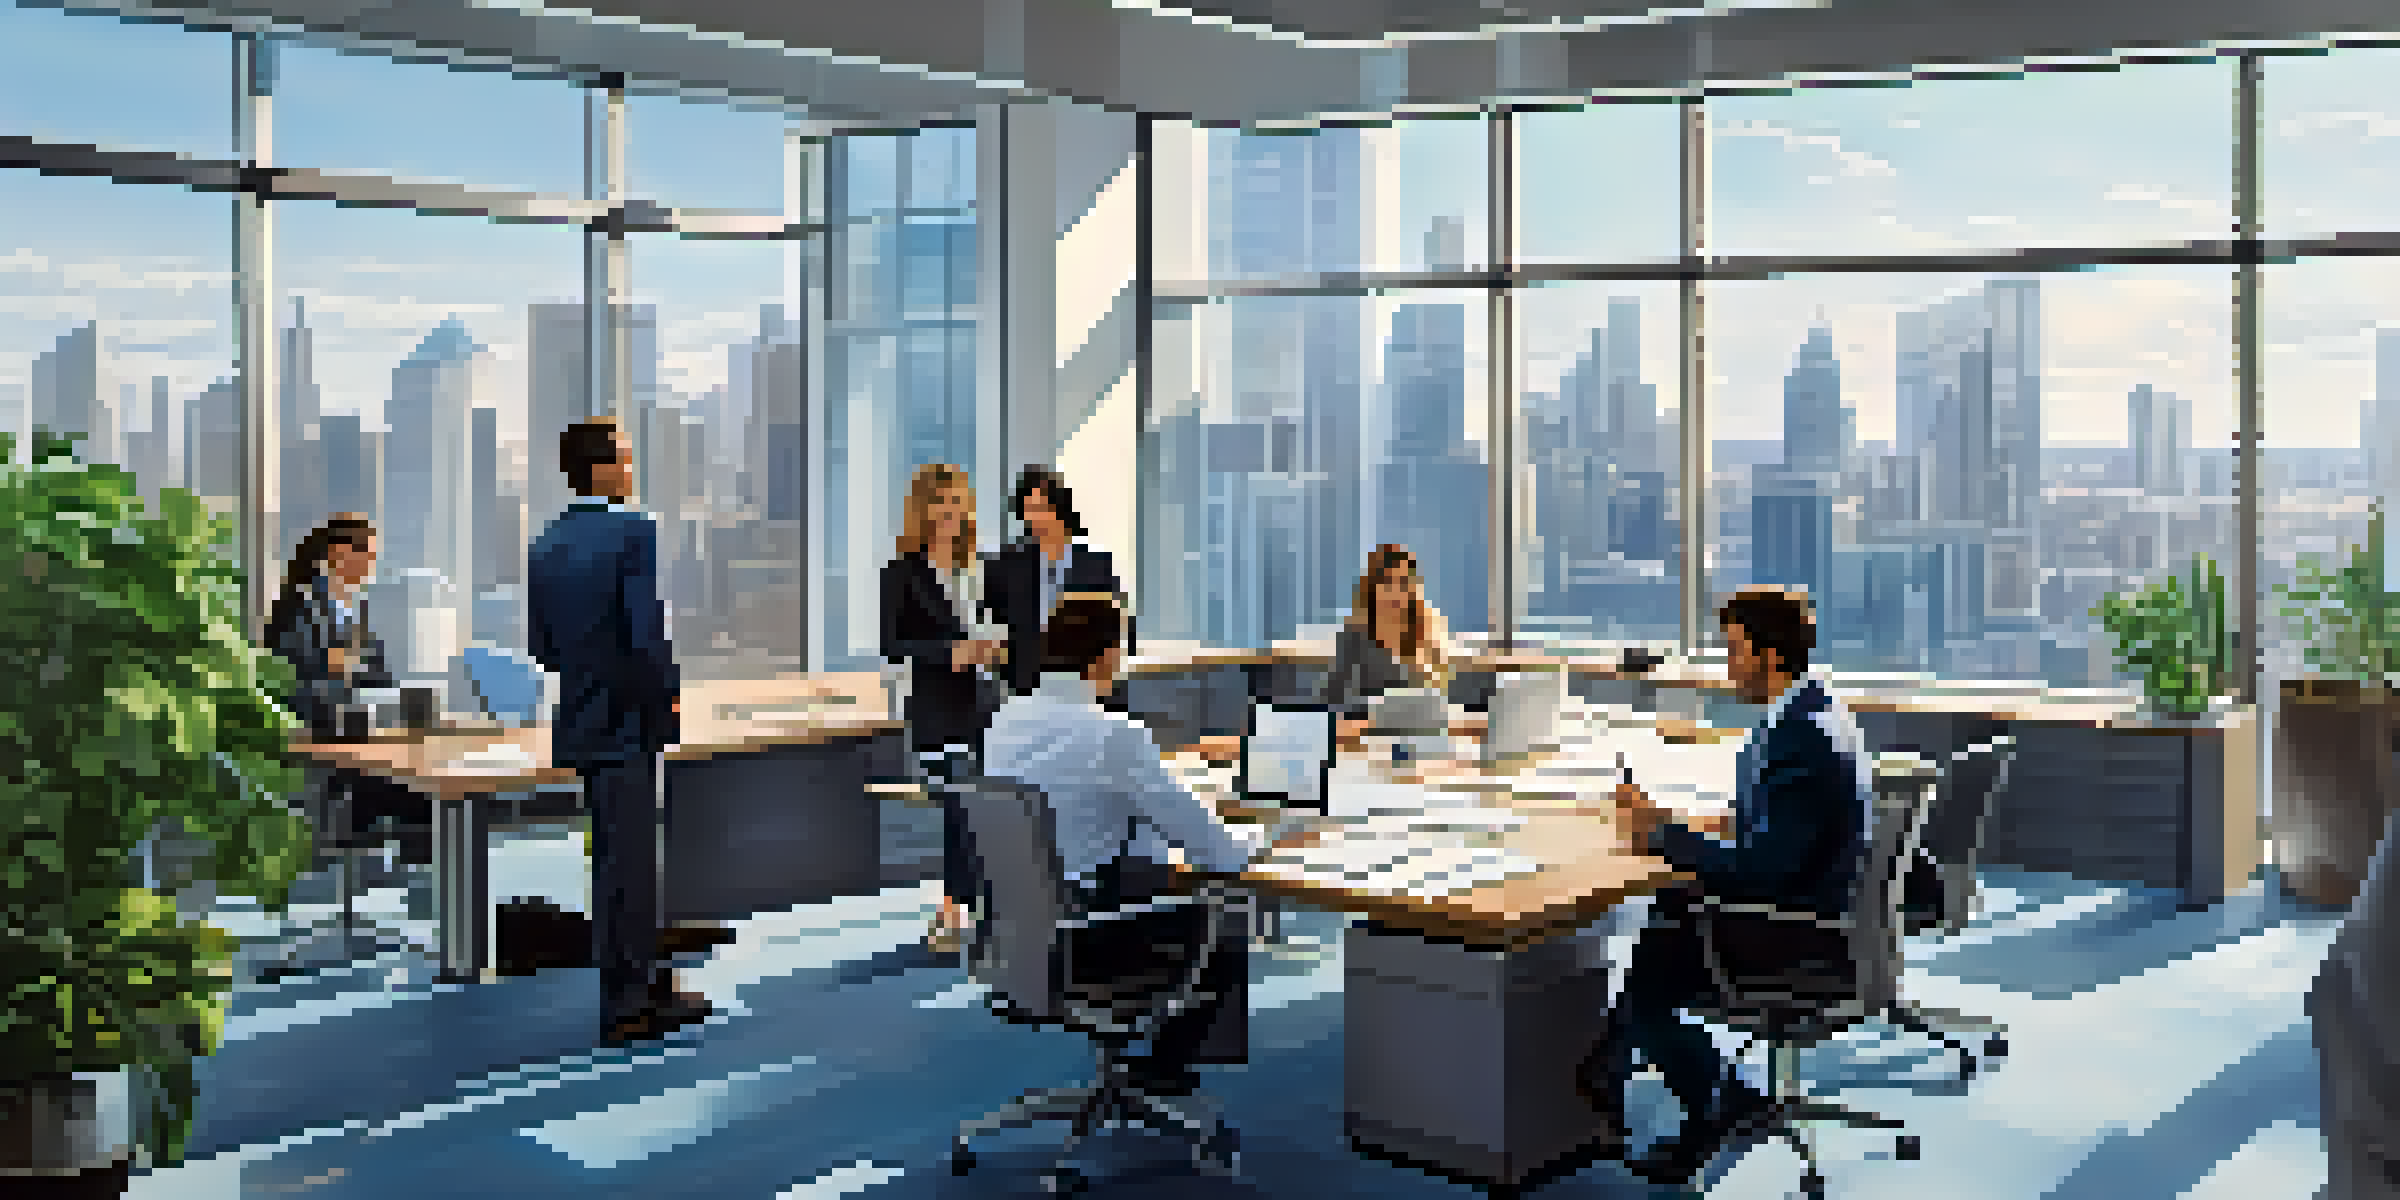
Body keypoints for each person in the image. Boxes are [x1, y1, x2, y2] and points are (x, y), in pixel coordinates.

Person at [1583, 586, 1873, 1186]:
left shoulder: (1805, 738)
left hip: (1797, 936)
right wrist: (1697, 829)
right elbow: (1779, 828)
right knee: (1670, 912)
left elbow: (1761, 871)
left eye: (1735, 651)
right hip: (1813, 906)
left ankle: (1700, 1097)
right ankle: (1626, 1058)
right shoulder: (1810, 710)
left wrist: (1663, 835)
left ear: (1770, 656)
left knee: (1656, 961)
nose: (1727, 664)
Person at [983, 593, 1255, 1097]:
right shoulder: (1113, 733)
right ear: (1106, 655)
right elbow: (1212, 848)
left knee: (1162, 880)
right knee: (1227, 913)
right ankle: (1167, 1067)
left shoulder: (1005, 721)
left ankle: (1153, 1067)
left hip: (1023, 930)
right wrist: (1258, 839)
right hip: (1094, 930)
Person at [527, 417, 709, 1048]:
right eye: (625, 459)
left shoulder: (546, 542)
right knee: (630, 862)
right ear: (601, 468)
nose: (632, 470)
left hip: (583, 716)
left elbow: (542, 647)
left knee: (614, 859)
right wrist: (669, 696)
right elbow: (645, 633)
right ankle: (629, 1004)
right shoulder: (633, 530)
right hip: (630, 717)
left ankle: (643, 979)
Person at [881, 463, 1006, 954]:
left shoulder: (978, 568)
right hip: (938, 707)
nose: (952, 513)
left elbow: (997, 626)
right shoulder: (904, 573)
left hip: (986, 707)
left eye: (959, 502)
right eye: (942, 503)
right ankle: (955, 910)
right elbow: (894, 644)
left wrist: (994, 647)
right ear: (923, 510)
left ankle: (971, 909)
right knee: (958, 806)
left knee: (982, 807)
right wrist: (948, 652)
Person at [266, 514, 425, 869]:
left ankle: (430, 893)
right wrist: (341, 677)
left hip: (360, 741)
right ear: (337, 552)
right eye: (366, 553)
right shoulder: (296, 611)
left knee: (427, 795)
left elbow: (380, 678)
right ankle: (431, 895)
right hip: (321, 751)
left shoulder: (355, 613)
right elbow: (285, 687)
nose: (372, 564)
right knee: (419, 797)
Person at [987, 466, 1125, 699]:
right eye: (1028, 511)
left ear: (1061, 509)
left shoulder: (1097, 564)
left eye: (1041, 510)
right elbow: (993, 629)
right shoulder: (1006, 567)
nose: (1034, 520)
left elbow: (1114, 629)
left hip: (1085, 687)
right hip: (1022, 690)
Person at [1323, 544, 1455, 747]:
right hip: (1368, 746)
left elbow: (1443, 700)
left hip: (1424, 743)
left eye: (1403, 583)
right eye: (1387, 583)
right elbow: (1338, 708)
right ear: (1372, 587)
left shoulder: (1426, 630)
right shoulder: (1354, 637)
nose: (1396, 592)